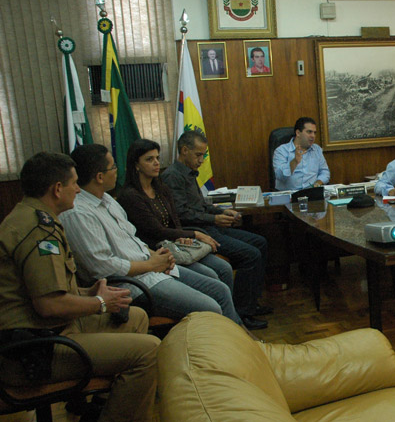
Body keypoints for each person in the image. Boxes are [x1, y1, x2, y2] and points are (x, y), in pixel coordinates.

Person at [0, 152, 158, 422]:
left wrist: (90, 294)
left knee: (136, 317)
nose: (77, 190)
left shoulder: (32, 215)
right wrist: (100, 304)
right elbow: (49, 305)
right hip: (31, 350)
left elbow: (47, 291)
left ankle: (101, 414)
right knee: (148, 351)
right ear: (57, 188)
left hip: (46, 330)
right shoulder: (37, 230)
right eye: (74, 184)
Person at [60, 144, 251, 329]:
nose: (117, 170)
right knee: (210, 308)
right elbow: (102, 267)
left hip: (151, 266)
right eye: (113, 167)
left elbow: (133, 239)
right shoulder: (79, 213)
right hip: (134, 284)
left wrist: (158, 257)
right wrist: (153, 264)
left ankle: (240, 336)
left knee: (219, 289)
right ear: (100, 177)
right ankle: (224, 353)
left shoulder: (108, 199)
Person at [116, 139, 265, 327]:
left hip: (180, 243)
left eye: (157, 158)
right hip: (161, 251)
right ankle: (234, 324)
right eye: (149, 159)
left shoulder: (159, 186)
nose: (156, 163)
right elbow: (156, 230)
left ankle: (234, 315)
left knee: (227, 266)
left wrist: (185, 235)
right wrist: (190, 235)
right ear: (136, 165)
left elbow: (176, 218)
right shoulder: (131, 196)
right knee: (217, 274)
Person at [162, 130, 272, 322]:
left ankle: (251, 304)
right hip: (200, 233)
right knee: (250, 254)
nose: (201, 160)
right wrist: (214, 219)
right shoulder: (173, 176)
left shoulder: (188, 173)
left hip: (211, 225)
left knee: (260, 242)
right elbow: (182, 214)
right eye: (198, 155)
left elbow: (200, 205)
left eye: (203, 155)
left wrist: (221, 212)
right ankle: (241, 312)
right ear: (184, 150)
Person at [273, 117, 330, 190]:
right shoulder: (281, 151)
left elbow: (325, 172)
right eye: (309, 132)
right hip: (290, 196)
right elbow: (280, 177)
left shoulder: (317, 150)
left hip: (312, 193)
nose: (313, 136)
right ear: (298, 133)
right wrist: (295, 162)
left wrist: (317, 183)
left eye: (314, 132)